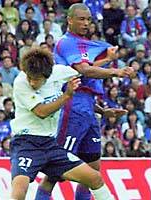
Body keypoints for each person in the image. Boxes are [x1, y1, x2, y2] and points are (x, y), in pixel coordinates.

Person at [36, 3, 134, 200]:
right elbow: (85, 71)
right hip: (72, 110)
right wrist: (117, 71)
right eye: (81, 19)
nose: (86, 23)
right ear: (69, 20)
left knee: (93, 168)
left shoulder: (81, 44)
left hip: (88, 110)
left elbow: (86, 72)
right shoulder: (66, 42)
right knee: (55, 172)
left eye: (88, 19)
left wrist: (102, 111)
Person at [9, 48, 115, 200]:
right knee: (19, 191)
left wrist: (109, 63)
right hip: (26, 144)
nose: (32, 82)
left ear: (48, 75)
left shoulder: (58, 72)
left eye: (36, 79)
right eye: (30, 78)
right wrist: (67, 96)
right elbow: (41, 112)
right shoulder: (21, 82)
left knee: (95, 178)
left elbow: (86, 70)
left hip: (51, 145)